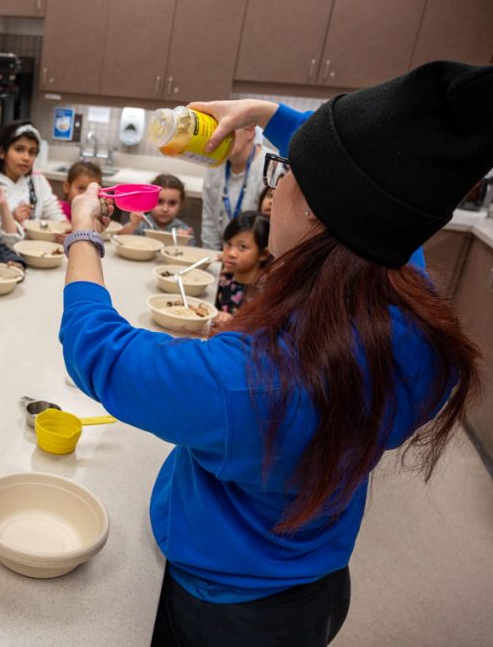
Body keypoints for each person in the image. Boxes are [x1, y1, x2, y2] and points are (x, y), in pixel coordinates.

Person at [58, 60, 491, 646]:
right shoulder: (412, 311)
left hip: (221, 611)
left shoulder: (249, 382)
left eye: (284, 171)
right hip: (317, 585)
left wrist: (82, 235)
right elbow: (373, 192)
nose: (273, 186)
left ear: (315, 208)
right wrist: (268, 117)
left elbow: (100, 351)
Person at [0, 120, 67, 245]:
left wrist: (64, 227)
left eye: (32, 152)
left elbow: (52, 210)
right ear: (2, 152)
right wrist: (11, 216)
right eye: (19, 149)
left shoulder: (37, 181)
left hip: (35, 250)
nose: (26, 158)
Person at [200, 125, 270, 250]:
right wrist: (212, 261)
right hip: (223, 257)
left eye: (227, 131)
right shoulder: (214, 165)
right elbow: (209, 221)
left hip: (257, 261)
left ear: (250, 131)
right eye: (215, 131)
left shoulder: (272, 167)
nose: (220, 138)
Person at [214, 211, 270, 325]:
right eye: (229, 244)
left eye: (242, 247)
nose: (231, 253)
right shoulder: (224, 279)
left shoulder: (265, 292)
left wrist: (232, 322)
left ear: (263, 254)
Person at [119, 173, 194, 241]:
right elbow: (119, 239)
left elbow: (192, 253)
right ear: (149, 201)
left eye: (172, 203)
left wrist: (184, 241)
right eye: (159, 202)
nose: (165, 209)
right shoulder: (141, 223)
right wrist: (133, 224)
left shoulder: (183, 229)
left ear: (181, 204)